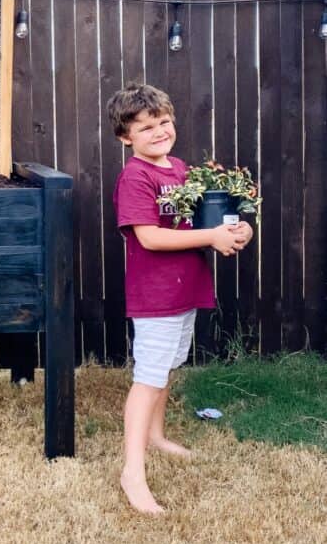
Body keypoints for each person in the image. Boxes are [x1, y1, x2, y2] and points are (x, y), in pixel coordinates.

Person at [106, 83, 254, 515]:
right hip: (155, 294)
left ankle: (156, 436)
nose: (159, 132)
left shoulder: (179, 169)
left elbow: (202, 221)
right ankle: (132, 471)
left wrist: (234, 228)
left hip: (185, 286)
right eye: (146, 127)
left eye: (164, 122)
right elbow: (149, 237)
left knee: (168, 364)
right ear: (125, 137)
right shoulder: (136, 177)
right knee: (149, 376)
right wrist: (211, 236)